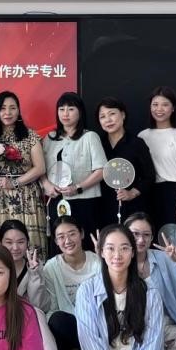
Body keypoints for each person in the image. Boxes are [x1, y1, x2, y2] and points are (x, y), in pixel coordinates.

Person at [125, 212, 176, 350]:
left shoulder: (163, 257)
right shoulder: (117, 261)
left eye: (146, 235)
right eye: (135, 234)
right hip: (133, 330)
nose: (141, 240)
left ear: (152, 237)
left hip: (166, 327)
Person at [40, 92, 107, 251]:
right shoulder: (49, 138)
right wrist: (46, 184)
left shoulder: (90, 137)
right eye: (61, 109)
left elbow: (102, 170)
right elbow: (40, 168)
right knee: (59, 244)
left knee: (85, 243)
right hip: (56, 199)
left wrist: (78, 187)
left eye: (71, 109)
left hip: (84, 201)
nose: (65, 114)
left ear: (80, 112)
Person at [0, 220, 62, 350]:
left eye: (21, 242)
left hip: (26, 319)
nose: (15, 247)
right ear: (0, 243)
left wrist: (34, 275)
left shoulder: (33, 266)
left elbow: (40, 305)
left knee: (36, 312)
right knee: (30, 312)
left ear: (27, 243)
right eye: (9, 242)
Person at [0, 91, 47, 250]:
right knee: (2, 246)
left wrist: (15, 182)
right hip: (1, 197)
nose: (8, 112)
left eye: (12, 108)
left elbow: (40, 168)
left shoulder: (29, 135)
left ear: (18, 111)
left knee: (29, 244)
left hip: (27, 195)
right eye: (3, 108)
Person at [138, 86, 176, 228]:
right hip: (149, 194)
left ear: (173, 108)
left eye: (165, 105)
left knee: (174, 236)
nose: (159, 109)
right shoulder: (143, 136)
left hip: (175, 194)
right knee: (150, 235)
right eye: (155, 104)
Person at [42, 216, 101, 350]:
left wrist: (105, 261)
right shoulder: (51, 267)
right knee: (57, 320)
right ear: (56, 241)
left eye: (72, 234)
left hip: (95, 323)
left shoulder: (97, 261)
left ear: (81, 234)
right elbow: (52, 309)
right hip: (68, 326)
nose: (67, 241)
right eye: (61, 237)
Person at [96, 97, 155, 228]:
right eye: (102, 116)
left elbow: (149, 177)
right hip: (104, 206)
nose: (108, 120)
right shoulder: (98, 144)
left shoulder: (137, 143)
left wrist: (131, 193)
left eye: (112, 114)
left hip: (133, 207)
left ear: (123, 115)